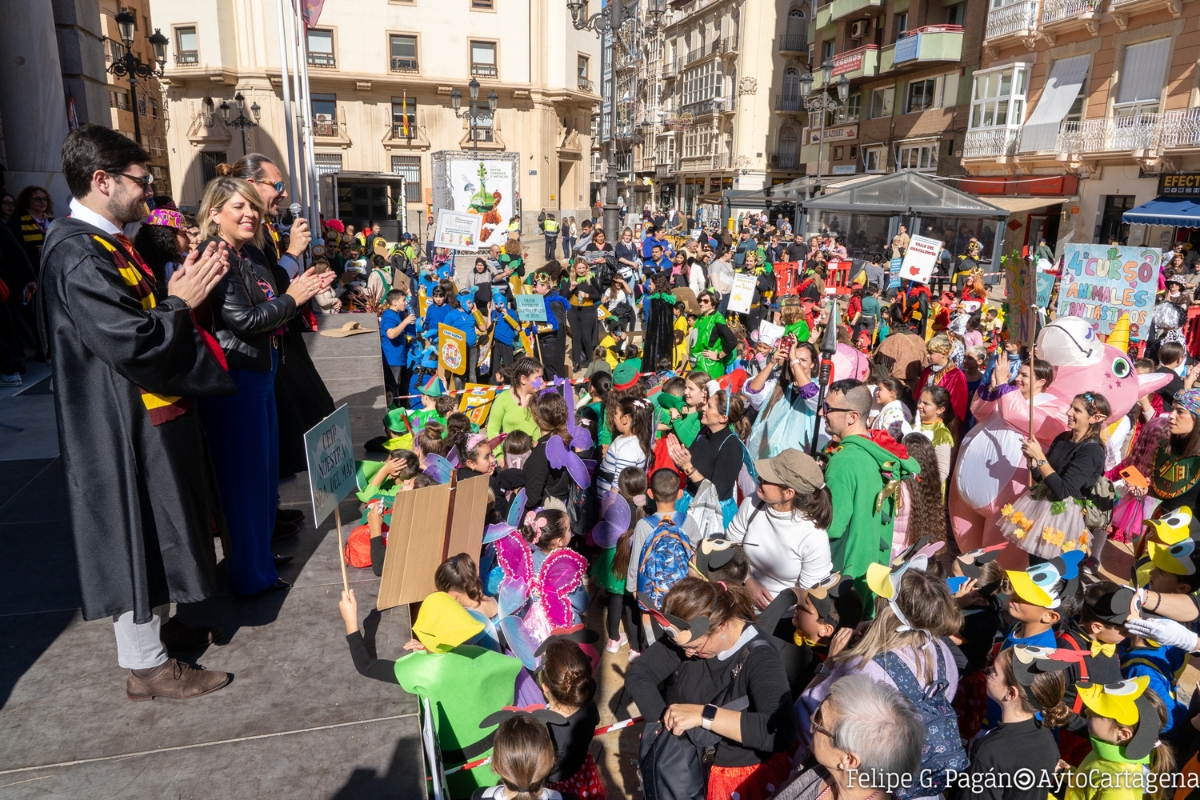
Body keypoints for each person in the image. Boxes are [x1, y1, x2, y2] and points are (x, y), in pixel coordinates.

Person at [39, 124, 235, 699]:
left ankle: (164, 631)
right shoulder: (76, 253)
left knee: (160, 525)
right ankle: (146, 667)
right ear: (101, 181)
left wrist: (181, 295)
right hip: (115, 425)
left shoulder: (110, 243)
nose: (149, 193)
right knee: (131, 533)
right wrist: (181, 301)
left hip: (146, 414)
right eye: (140, 182)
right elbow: (128, 338)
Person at [197, 174, 332, 596]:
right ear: (215, 212)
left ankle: (256, 558)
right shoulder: (216, 255)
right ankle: (249, 575)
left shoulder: (250, 255)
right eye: (239, 206)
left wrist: (295, 294)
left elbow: (272, 302)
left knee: (262, 477)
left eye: (253, 206)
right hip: (237, 381)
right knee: (244, 481)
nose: (250, 214)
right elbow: (245, 320)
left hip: (262, 372)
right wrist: (294, 298)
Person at [626, 578, 795, 800]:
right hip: (688, 769)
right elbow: (640, 674)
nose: (687, 654)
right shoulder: (688, 633)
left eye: (694, 647)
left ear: (721, 626)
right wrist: (665, 724)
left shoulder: (760, 657)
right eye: (682, 648)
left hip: (735, 779)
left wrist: (703, 715)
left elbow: (780, 731)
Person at [220, 153, 334, 481]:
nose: (284, 194)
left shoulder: (262, 236)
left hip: (275, 345)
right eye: (278, 185)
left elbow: (270, 287)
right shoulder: (228, 253)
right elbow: (260, 299)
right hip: (253, 357)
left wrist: (305, 286)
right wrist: (293, 254)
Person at [822, 379, 920, 601]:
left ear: (852, 416)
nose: (822, 412)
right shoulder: (879, 451)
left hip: (845, 579)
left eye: (829, 408)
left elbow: (833, 527)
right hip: (873, 574)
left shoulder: (844, 460)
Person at [772, 674, 923, 800]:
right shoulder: (820, 764)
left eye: (820, 722)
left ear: (848, 760)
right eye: (819, 710)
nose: (812, 717)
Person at [998, 392, 1109, 561]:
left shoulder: (1091, 451)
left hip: (1064, 520)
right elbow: (1044, 478)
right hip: (1041, 511)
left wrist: (1040, 457)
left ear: (1094, 418)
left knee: (1053, 570)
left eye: (1077, 410)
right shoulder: (1063, 438)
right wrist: (1033, 461)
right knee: (1035, 565)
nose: (1068, 412)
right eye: (1071, 407)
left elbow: (1063, 490)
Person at [947, 646, 1068, 800]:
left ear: (1011, 693)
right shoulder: (1045, 736)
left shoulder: (990, 750)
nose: (987, 670)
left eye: (994, 672)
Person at [727, 449, 833, 610]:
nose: (759, 479)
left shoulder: (813, 536)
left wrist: (773, 615)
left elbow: (810, 595)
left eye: (767, 479)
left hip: (785, 618)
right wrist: (748, 580)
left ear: (789, 493)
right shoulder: (752, 502)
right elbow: (731, 545)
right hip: (740, 604)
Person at [667, 388, 752, 524]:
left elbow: (715, 494)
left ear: (723, 418)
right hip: (690, 501)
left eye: (710, 406)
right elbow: (692, 464)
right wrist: (679, 457)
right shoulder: (705, 432)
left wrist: (688, 467)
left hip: (711, 515)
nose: (704, 408)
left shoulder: (731, 447)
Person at [488, 357, 544, 444]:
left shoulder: (540, 399)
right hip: (510, 454)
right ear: (523, 379)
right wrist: (499, 456)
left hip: (535, 453)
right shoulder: (503, 398)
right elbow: (493, 429)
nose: (542, 381)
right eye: (538, 378)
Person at [566, 259, 601, 373]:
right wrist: (570, 288)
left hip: (587, 310)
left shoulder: (591, 278)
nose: (581, 270)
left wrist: (586, 295)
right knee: (576, 337)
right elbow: (563, 296)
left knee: (586, 337)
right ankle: (577, 363)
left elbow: (598, 295)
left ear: (586, 268)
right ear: (574, 269)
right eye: (579, 268)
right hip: (573, 311)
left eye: (583, 268)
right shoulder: (570, 280)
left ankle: (591, 362)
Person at [691, 289, 736, 379]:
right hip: (697, 365)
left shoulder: (717, 319)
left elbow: (733, 341)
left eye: (706, 301)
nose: (701, 303)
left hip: (710, 368)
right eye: (700, 300)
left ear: (714, 304)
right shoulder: (700, 317)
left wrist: (719, 356)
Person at [9, 184, 54, 269]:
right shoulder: (17, 221)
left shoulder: (53, 221)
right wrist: (37, 251)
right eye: (37, 199)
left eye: (45, 199)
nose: (42, 202)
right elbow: (15, 248)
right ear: (27, 201)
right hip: (28, 268)